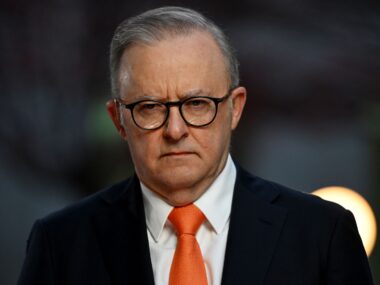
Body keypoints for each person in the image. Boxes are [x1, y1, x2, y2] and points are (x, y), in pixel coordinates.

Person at [18, 6, 373, 285]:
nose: (175, 130)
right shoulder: (60, 244)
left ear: (235, 108)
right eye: (151, 107)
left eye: (197, 104)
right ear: (118, 120)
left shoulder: (321, 235)